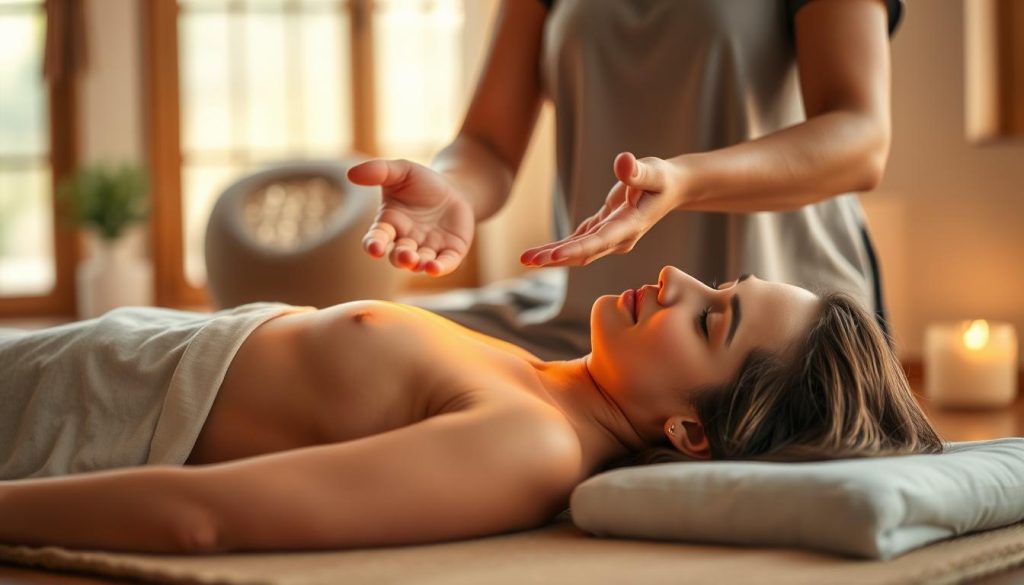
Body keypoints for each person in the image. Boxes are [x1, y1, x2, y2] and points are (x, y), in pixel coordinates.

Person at [0, 267, 941, 554]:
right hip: (82, 360)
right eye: (718, 283)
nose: (675, 278)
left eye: (709, 319)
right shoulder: (545, 383)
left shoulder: (532, 444)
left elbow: (204, 519)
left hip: (63, 417)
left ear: (691, 431)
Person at [347, 0, 904, 360]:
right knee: (366, 340)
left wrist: (684, 181)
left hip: (763, 337)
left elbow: (860, 139)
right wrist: (454, 188)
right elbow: (488, 145)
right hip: (595, 320)